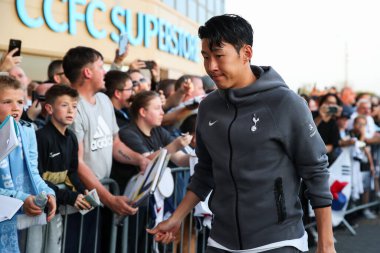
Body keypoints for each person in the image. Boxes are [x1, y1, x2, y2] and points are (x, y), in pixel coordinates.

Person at [147, 14, 335, 253]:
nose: (211, 66)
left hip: (279, 242)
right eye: (206, 57)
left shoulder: (286, 103)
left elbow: (316, 171)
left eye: (219, 56)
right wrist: (177, 217)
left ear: (246, 53)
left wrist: (326, 244)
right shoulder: (208, 107)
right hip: (221, 241)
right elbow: (205, 171)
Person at [62, 46, 149, 252]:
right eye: (101, 66)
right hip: (79, 202)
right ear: (87, 72)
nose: (106, 72)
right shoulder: (71, 106)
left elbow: (115, 143)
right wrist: (108, 198)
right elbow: (77, 162)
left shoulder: (103, 100)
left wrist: (140, 159)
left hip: (102, 197)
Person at [27, 84, 91, 253]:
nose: (71, 110)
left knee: (53, 248)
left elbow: (71, 172)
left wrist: (82, 190)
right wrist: (69, 197)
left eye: (74, 106)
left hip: (56, 207)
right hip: (37, 207)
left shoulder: (72, 137)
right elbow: (37, 178)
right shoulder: (41, 137)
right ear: (49, 108)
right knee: (33, 247)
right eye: (64, 105)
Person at [0, 76, 56, 253]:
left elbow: (33, 172)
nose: (16, 107)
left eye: (20, 101)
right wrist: (22, 199)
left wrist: (48, 193)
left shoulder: (27, 130)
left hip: (10, 220)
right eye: (7, 101)